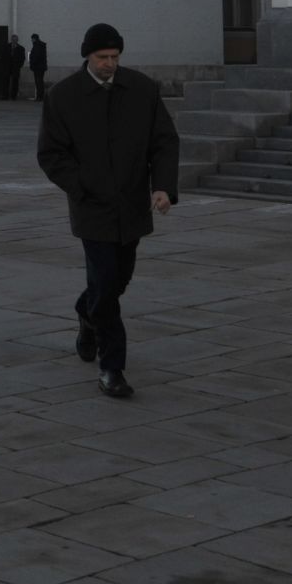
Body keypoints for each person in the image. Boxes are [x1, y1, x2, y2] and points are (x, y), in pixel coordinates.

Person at [37, 21, 179, 401]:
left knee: (117, 280)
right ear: (88, 56)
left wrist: (163, 186)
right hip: (92, 207)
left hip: (132, 204)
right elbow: (51, 153)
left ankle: (86, 313)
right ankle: (112, 367)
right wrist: (80, 186)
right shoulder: (64, 96)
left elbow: (164, 141)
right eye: (102, 57)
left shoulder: (142, 90)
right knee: (106, 282)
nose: (109, 64)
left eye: (115, 57)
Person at [2, 32, 26, 100]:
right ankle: (5, 96)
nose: (14, 41)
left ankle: (13, 96)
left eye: (15, 40)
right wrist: (4, 65)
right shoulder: (6, 46)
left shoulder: (21, 48)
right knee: (5, 81)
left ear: (17, 40)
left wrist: (19, 66)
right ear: (11, 40)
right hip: (7, 67)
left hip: (16, 67)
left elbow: (22, 58)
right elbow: (3, 56)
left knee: (15, 82)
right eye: (13, 39)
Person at [28, 33, 48, 102]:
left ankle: (39, 97)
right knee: (40, 82)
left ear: (34, 39)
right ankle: (41, 96)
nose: (31, 40)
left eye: (32, 39)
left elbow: (36, 56)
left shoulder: (37, 45)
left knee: (38, 82)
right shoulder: (41, 45)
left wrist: (32, 64)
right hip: (41, 67)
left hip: (37, 67)